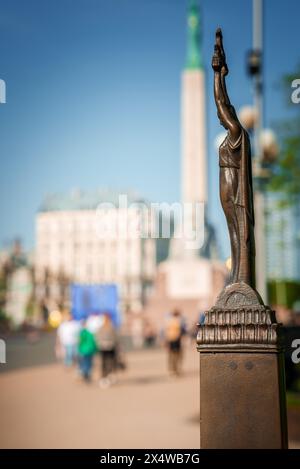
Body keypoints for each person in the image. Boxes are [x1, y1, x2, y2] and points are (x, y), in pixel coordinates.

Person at [96, 314, 118, 388]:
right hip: (110, 347)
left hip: (103, 347)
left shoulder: (101, 328)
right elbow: (115, 338)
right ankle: (108, 376)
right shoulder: (111, 328)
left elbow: (97, 337)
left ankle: (104, 377)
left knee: (104, 363)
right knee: (110, 362)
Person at [165, 309, 185, 376]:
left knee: (171, 355)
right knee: (177, 355)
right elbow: (182, 331)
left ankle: (172, 369)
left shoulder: (169, 321)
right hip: (176, 339)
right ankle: (175, 370)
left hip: (170, 339)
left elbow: (166, 331)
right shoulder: (179, 321)